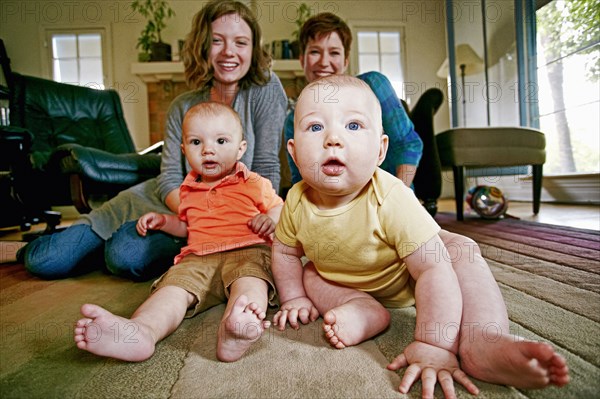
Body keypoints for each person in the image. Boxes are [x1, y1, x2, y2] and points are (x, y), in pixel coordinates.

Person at [272, 75, 570, 398]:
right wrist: (294, 298)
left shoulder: (391, 197)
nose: (333, 139)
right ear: (294, 152)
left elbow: (432, 269)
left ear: (380, 150)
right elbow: (285, 252)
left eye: (353, 127)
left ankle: (482, 340)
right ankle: (362, 308)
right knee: (309, 273)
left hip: (409, 275)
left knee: (460, 251)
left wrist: (433, 342)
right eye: (315, 128)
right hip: (342, 279)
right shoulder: (296, 201)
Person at [17, 0, 287, 281]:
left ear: (253, 48)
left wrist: (219, 219)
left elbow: (267, 166)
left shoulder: (265, 89)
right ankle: (50, 248)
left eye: (241, 42)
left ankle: (103, 250)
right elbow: (169, 177)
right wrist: (199, 211)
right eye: (217, 41)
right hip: (169, 203)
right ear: (203, 46)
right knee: (45, 261)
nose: (229, 52)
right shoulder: (182, 106)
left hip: (227, 217)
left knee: (124, 256)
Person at [74, 101, 283, 362]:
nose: (208, 150)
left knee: (251, 283)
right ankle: (142, 331)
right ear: (184, 150)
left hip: (248, 250)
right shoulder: (189, 189)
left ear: (241, 148)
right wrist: (163, 221)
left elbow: (279, 207)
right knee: (171, 290)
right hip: (198, 257)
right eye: (196, 143)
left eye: (220, 141)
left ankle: (237, 328)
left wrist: (270, 218)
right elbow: (188, 226)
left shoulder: (254, 183)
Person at [284, 12, 422, 188]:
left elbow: (408, 144)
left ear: (346, 60)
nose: (324, 62)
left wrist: (397, 196)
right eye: (315, 52)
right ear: (302, 59)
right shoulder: (293, 119)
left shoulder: (374, 85)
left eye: (334, 53)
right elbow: (300, 177)